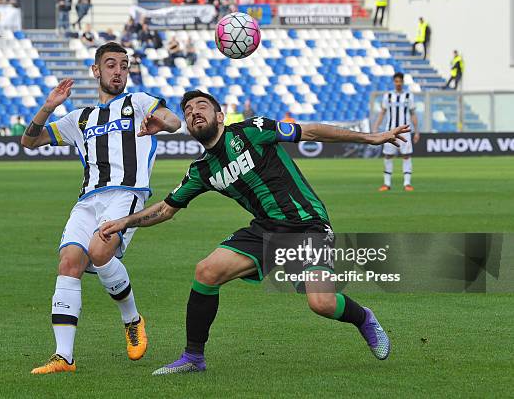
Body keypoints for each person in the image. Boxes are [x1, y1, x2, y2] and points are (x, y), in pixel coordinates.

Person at [99, 89, 408, 375]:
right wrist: (124, 222)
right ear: (189, 127)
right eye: (189, 110)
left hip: (308, 224)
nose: (194, 112)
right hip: (266, 230)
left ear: (220, 116)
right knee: (206, 272)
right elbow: (166, 209)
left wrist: (370, 138)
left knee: (322, 303)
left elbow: (310, 131)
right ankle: (194, 357)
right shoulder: (201, 171)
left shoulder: (252, 130)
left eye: (202, 106)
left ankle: (364, 318)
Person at [22, 42, 181, 375]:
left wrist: (161, 122)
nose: (118, 71)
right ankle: (63, 357)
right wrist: (47, 108)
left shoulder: (137, 102)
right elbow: (30, 141)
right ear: (96, 71)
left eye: (124, 65)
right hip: (87, 200)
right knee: (69, 263)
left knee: (99, 250)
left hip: (127, 193)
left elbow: (172, 120)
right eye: (111, 65)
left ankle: (132, 319)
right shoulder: (79, 118)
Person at [372, 72, 420, 192]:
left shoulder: (409, 96)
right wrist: (376, 127)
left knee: (406, 155)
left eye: (400, 81)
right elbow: (382, 112)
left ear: (403, 82)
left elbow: (413, 113)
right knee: (388, 155)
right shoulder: (388, 96)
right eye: (396, 81)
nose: (398, 83)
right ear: (394, 82)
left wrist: (417, 131)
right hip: (390, 130)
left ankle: (407, 183)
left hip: (405, 131)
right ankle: (387, 184)